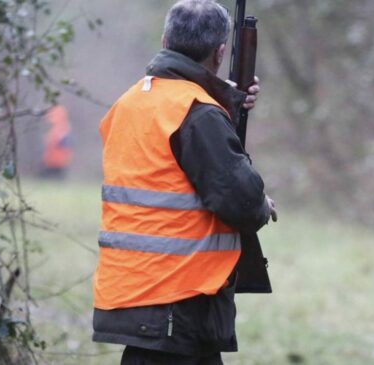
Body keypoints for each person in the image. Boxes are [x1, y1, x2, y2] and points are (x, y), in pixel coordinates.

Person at [91, 1, 276, 364]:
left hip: (142, 298)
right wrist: (262, 204)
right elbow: (240, 201)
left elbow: (170, 172)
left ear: (164, 40)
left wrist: (226, 102)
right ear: (220, 52)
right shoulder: (197, 113)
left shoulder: (130, 102)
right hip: (178, 302)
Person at [41, 105, 72, 178]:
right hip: (51, 161)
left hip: (58, 162)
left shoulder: (62, 128)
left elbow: (64, 144)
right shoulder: (56, 128)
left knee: (54, 181)